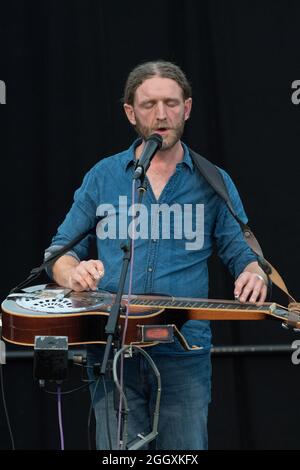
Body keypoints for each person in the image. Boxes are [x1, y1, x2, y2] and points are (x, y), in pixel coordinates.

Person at [44, 60, 268, 450]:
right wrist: (72, 273)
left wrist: (253, 271)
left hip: (184, 351)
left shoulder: (213, 179)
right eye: (149, 105)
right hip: (112, 352)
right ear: (130, 112)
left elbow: (241, 251)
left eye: (171, 102)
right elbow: (59, 252)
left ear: (188, 108)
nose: (161, 114)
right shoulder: (104, 177)